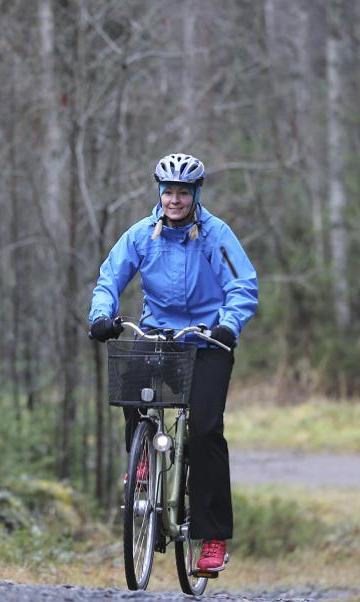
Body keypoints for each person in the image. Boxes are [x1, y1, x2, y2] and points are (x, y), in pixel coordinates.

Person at [88, 153, 258, 573]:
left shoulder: (217, 236)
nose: (175, 199)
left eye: (183, 192)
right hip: (159, 335)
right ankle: (141, 464)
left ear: (196, 194)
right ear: (159, 193)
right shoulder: (141, 235)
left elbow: (243, 283)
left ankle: (212, 536)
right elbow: (110, 278)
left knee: (204, 430)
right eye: (169, 192)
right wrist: (100, 316)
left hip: (206, 342)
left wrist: (228, 326)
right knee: (132, 393)